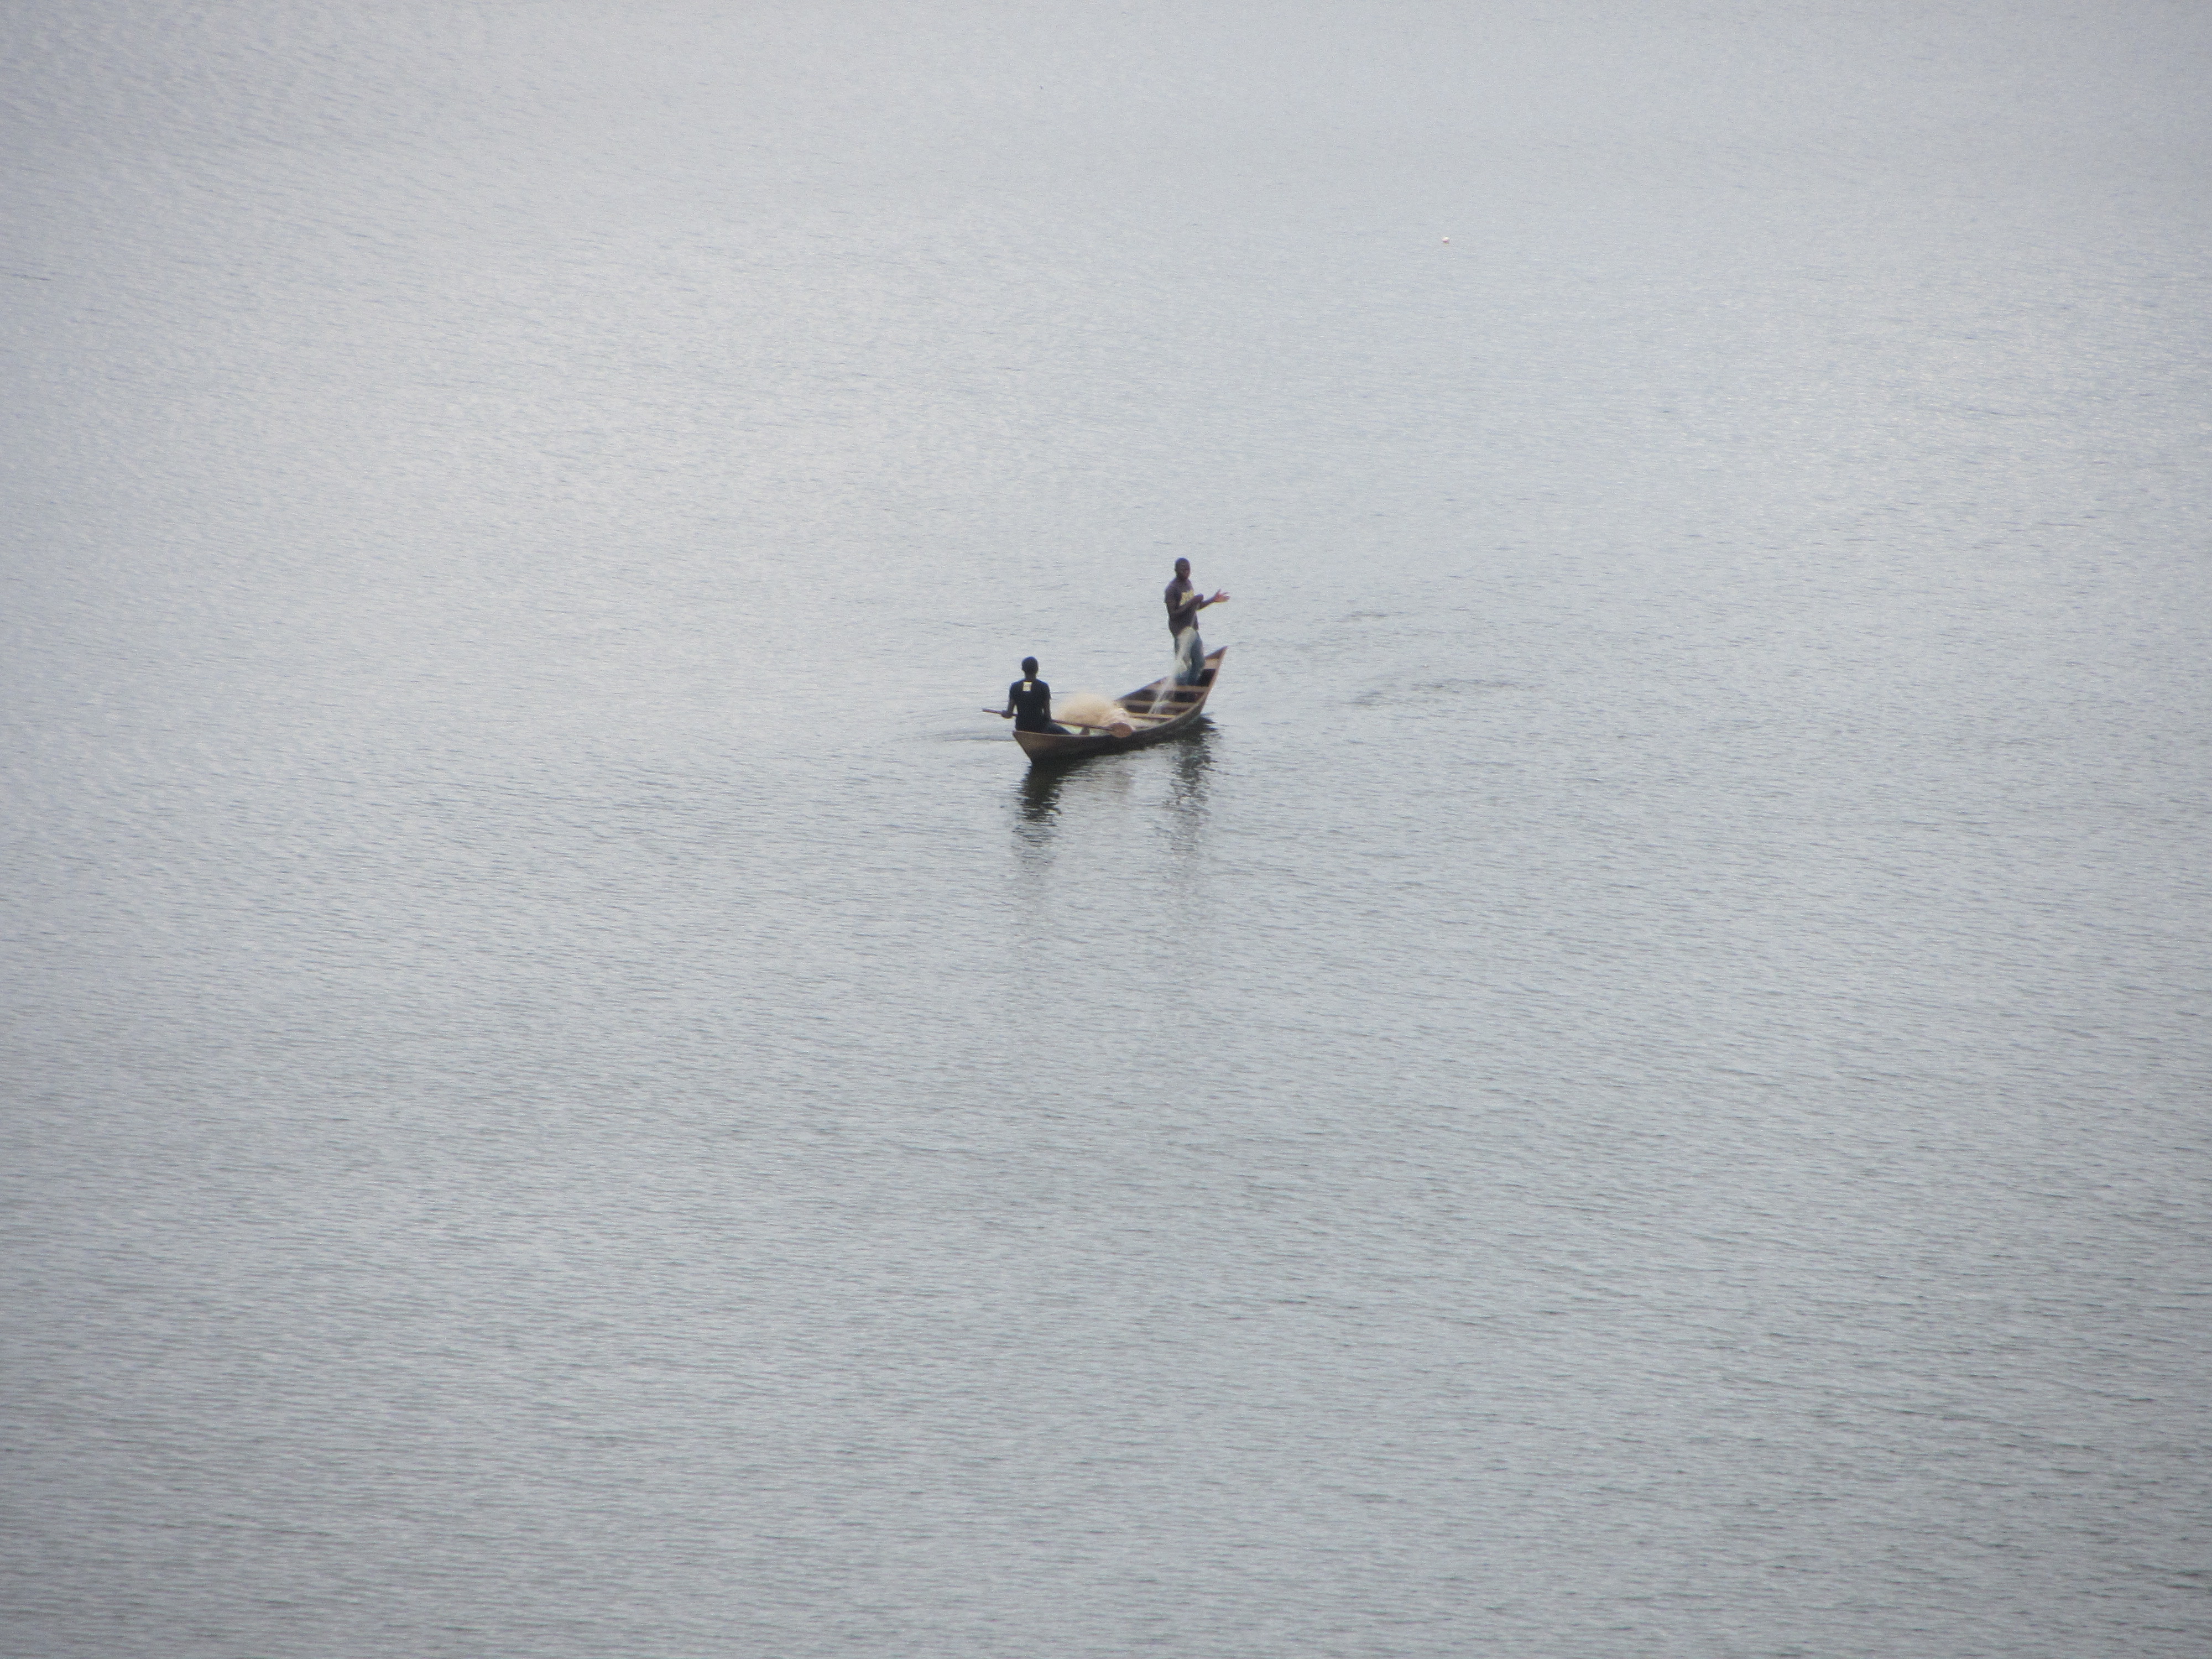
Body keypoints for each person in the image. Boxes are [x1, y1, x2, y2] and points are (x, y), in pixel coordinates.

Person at [1165, 557, 1228, 682]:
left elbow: (1196, 607)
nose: (1186, 572)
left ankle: (1191, 688)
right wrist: (1192, 602)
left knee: (1199, 663)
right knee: (1183, 668)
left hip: (1193, 630)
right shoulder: (1172, 589)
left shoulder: (1188, 584)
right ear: (1176, 571)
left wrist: (1213, 600)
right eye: (1183, 570)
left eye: (1188, 569)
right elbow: (1173, 614)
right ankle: (1179, 692)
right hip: (1181, 633)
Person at [998, 658, 1070, 733]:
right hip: (1040, 728)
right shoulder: (1043, 687)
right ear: (1037, 669)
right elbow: (1047, 715)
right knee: (1064, 733)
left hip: (1021, 727)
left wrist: (1004, 714)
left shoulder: (1015, 687)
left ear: (1023, 669)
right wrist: (1051, 724)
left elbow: (1009, 714)